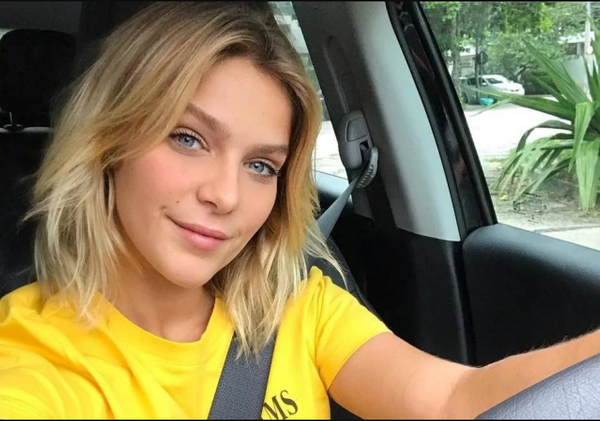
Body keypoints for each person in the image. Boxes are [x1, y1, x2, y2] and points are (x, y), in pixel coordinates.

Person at [0, 2, 599, 419]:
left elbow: (452, 401)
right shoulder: (31, 356)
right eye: (188, 138)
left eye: (261, 166)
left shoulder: (300, 306)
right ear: (110, 143)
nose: (226, 196)